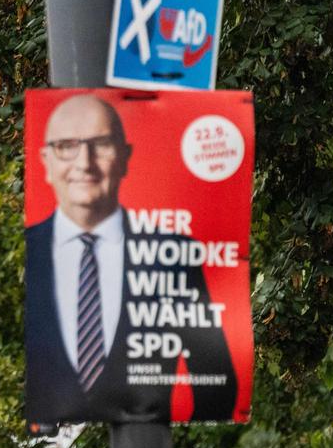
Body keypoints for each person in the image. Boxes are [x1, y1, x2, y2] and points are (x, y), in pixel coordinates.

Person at [25, 94, 237, 425]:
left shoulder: (174, 254)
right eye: (67, 145)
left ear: (125, 156)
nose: (85, 162)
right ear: (46, 160)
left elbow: (218, 385)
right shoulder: (30, 251)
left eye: (101, 144)